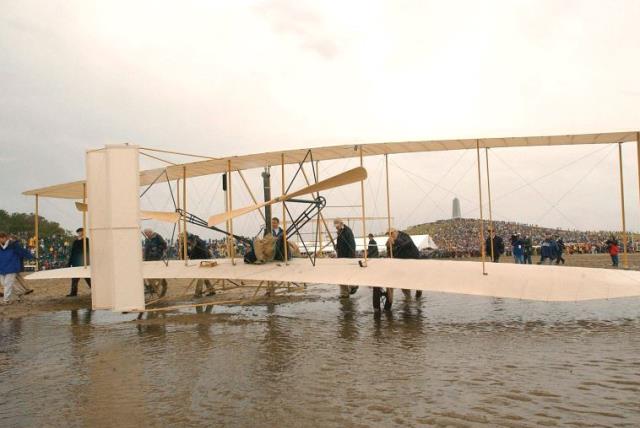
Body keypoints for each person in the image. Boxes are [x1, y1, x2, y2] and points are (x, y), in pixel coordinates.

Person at [387, 228, 422, 298]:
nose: (390, 235)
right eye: (388, 234)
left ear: (396, 232)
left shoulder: (404, 236)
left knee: (416, 279)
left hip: (413, 259)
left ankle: (419, 293)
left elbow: (408, 243)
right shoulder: (390, 241)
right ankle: (408, 298)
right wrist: (389, 247)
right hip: (402, 262)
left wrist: (395, 241)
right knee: (403, 281)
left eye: (391, 233)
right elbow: (390, 253)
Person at [0, 232, 34, 304]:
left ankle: (6, 300)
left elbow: (23, 252)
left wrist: (31, 257)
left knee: (8, 284)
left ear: (4, 238)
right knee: (4, 284)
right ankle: (19, 293)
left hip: (12, 267)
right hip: (1, 268)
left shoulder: (13, 245)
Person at [334, 218, 358, 297]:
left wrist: (350, 259)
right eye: (335, 227)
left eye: (337, 226)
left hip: (347, 257)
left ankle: (353, 286)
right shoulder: (340, 232)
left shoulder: (347, 231)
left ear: (341, 224)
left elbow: (351, 245)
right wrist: (337, 247)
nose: (336, 228)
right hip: (341, 257)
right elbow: (340, 245)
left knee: (348, 274)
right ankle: (344, 293)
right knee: (342, 275)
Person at [66, 228, 91, 297]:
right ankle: (73, 293)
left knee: (88, 278)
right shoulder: (75, 242)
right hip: (76, 263)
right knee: (74, 279)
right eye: (79, 232)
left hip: (84, 262)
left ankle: (95, 291)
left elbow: (88, 251)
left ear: (83, 232)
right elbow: (72, 252)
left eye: (81, 232)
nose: (80, 233)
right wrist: (69, 262)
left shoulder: (87, 240)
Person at [143, 228, 168, 295]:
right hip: (149, 260)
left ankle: (160, 288)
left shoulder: (157, 236)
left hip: (157, 258)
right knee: (149, 275)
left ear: (150, 232)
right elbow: (146, 250)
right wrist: (145, 259)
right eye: (145, 234)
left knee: (158, 274)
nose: (146, 235)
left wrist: (159, 250)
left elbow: (164, 245)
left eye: (147, 234)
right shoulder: (147, 240)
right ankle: (151, 287)